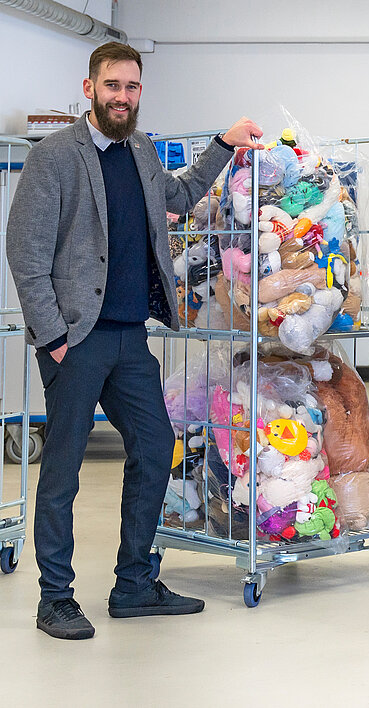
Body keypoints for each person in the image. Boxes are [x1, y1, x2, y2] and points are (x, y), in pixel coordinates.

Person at [6, 42, 263, 640]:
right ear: (91, 88)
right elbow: (25, 253)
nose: (123, 96)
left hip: (129, 337)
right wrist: (55, 338)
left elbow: (176, 197)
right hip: (77, 339)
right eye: (113, 85)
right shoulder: (54, 157)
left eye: (133, 87)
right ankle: (55, 597)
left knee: (155, 444)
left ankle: (133, 583)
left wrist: (224, 146)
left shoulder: (142, 150)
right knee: (65, 468)